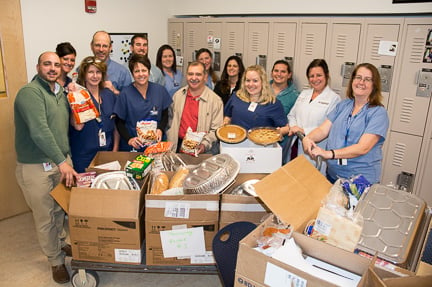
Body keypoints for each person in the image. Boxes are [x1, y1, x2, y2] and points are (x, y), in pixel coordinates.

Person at [14, 51, 78, 284]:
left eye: (57, 65)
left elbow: (62, 128)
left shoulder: (59, 93)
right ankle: (55, 261)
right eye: (47, 64)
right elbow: (40, 131)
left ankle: (61, 243)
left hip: (60, 161)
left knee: (60, 209)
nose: (52, 68)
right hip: (36, 167)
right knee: (45, 216)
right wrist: (62, 163)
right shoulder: (30, 93)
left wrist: (65, 158)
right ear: (38, 66)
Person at [303, 63, 389, 184]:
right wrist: (308, 138)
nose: (361, 82)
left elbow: (363, 148)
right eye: (358, 77)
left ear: (374, 85)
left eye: (367, 79)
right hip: (334, 176)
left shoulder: (378, 113)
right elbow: (323, 130)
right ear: (352, 80)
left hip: (360, 182)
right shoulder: (344, 105)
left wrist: (329, 154)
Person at [287, 59, 341, 173]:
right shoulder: (304, 94)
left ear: (327, 75)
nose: (315, 79)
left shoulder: (334, 99)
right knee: (294, 178)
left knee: (312, 181)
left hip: (316, 148)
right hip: (296, 144)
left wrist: (302, 130)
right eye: (311, 76)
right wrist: (294, 128)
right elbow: (292, 115)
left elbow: (329, 127)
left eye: (319, 75)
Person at [69, 56, 119, 173]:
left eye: (98, 72)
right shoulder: (78, 96)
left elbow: (116, 125)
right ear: (84, 75)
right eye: (91, 72)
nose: (95, 76)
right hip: (84, 155)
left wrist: (115, 150)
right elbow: (77, 126)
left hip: (106, 154)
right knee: (86, 190)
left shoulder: (108, 95)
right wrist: (75, 101)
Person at [114, 54, 172, 152]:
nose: (141, 74)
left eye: (144, 70)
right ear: (132, 74)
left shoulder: (159, 90)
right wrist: (129, 139)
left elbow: (165, 114)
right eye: (137, 71)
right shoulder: (125, 94)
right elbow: (119, 122)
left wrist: (160, 129)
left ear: (149, 72)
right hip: (134, 147)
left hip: (156, 146)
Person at [166, 61, 223, 154]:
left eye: (198, 74)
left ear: (205, 77)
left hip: (202, 149)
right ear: (186, 75)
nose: (194, 78)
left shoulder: (215, 101)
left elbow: (216, 130)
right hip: (177, 148)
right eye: (190, 74)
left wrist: (204, 144)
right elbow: (170, 121)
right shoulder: (178, 96)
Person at [224, 65, 290, 136]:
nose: (251, 84)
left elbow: (286, 128)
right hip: (236, 142)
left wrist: (276, 133)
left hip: (261, 145)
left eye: (255, 81)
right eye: (248, 80)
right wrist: (225, 123)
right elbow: (228, 116)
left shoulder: (273, 104)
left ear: (263, 82)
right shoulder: (236, 97)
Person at [270, 60, 300, 164]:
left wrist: (284, 130)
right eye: (276, 71)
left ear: (289, 75)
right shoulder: (261, 89)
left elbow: (295, 119)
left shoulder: (295, 96)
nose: (279, 74)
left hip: (280, 141)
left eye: (283, 72)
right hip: (259, 137)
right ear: (271, 73)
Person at [90, 30, 132, 95]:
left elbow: (129, 100)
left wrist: (114, 90)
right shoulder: (82, 70)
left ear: (110, 48)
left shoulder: (123, 73)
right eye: (97, 45)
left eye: (105, 46)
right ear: (91, 46)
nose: (101, 49)